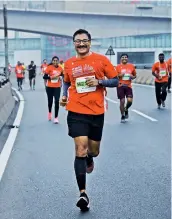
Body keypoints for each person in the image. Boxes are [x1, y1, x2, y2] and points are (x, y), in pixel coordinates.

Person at [60, 29, 119, 211]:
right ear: (74, 44)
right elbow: (66, 81)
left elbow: (116, 80)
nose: (81, 44)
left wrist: (99, 82)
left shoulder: (101, 60)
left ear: (90, 43)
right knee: (80, 149)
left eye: (84, 41)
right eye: (78, 41)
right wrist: (63, 96)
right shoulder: (69, 64)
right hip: (76, 112)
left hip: (96, 113)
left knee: (93, 151)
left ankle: (89, 159)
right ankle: (83, 194)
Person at [116, 54, 137, 123]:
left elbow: (135, 75)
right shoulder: (118, 67)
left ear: (127, 59)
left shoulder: (131, 66)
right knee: (122, 101)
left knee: (130, 101)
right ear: (121, 59)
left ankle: (126, 109)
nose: (124, 58)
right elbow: (115, 76)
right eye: (123, 57)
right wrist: (120, 75)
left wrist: (132, 77)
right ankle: (122, 116)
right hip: (120, 86)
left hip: (128, 86)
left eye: (125, 57)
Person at [43, 56, 63, 124]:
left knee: (57, 101)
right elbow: (44, 76)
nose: (55, 61)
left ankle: (56, 117)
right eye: (54, 60)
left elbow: (63, 75)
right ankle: (49, 112)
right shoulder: (49, 67)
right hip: (50, 87)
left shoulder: (60, 68)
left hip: (57, 87)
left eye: (56, 60)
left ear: (58, 61)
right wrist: (50, 77)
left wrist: (61, 77)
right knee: (50, 101)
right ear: (52, 61)